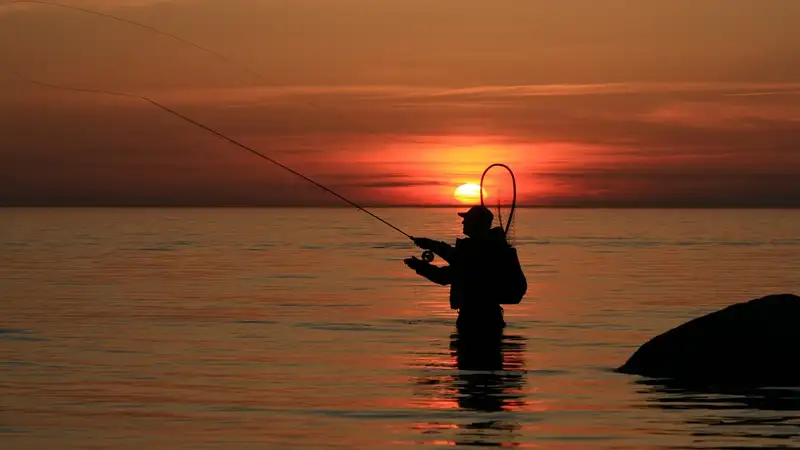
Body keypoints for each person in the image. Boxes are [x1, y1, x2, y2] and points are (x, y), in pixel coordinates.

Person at [404, 205, 527, 333]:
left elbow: (446, 276)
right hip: (491, 317)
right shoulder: (487, 247)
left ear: (475, 224)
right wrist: (429, 244)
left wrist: (419, 266)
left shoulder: (478, 251)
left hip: (475, 319)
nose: (463, 222)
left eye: (466, 219)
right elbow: (455, 256)